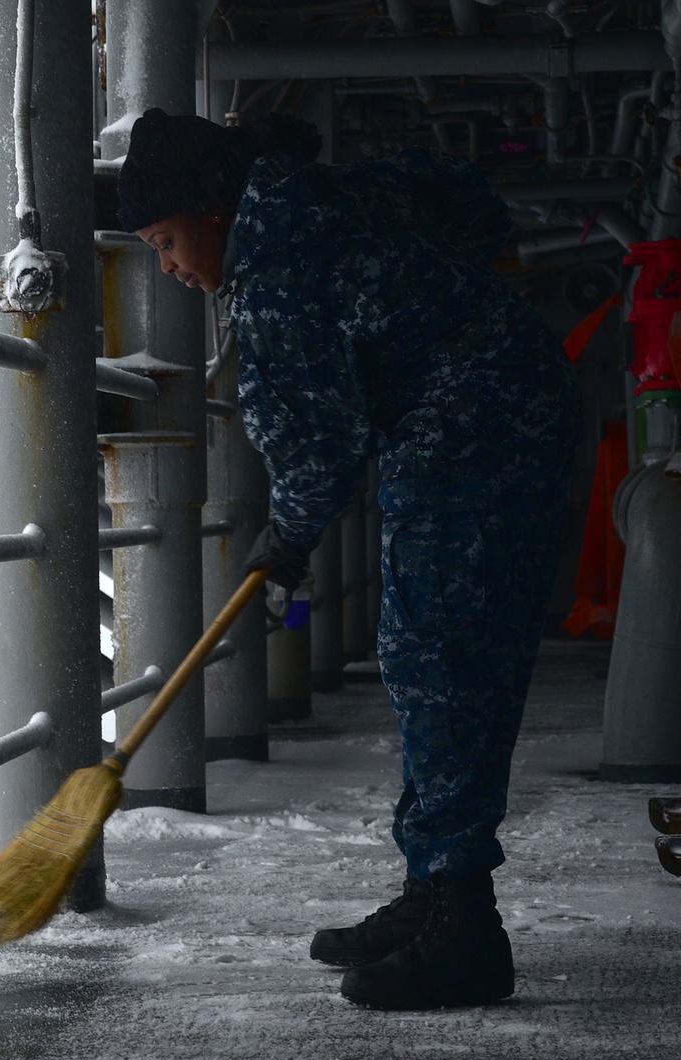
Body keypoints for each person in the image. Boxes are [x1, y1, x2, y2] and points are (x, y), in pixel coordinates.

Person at [117, 108, 582, 1012]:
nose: (169, 268)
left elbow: (317, 445)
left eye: (168, 240)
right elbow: (471, 204)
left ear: (214, 209)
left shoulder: (278, 271)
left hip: (470, 436)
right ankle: (435, 891)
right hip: (507, 407)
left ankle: (464, 928)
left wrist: (284, 538)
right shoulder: (319, 203)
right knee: (440, 657)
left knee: (438, 660)